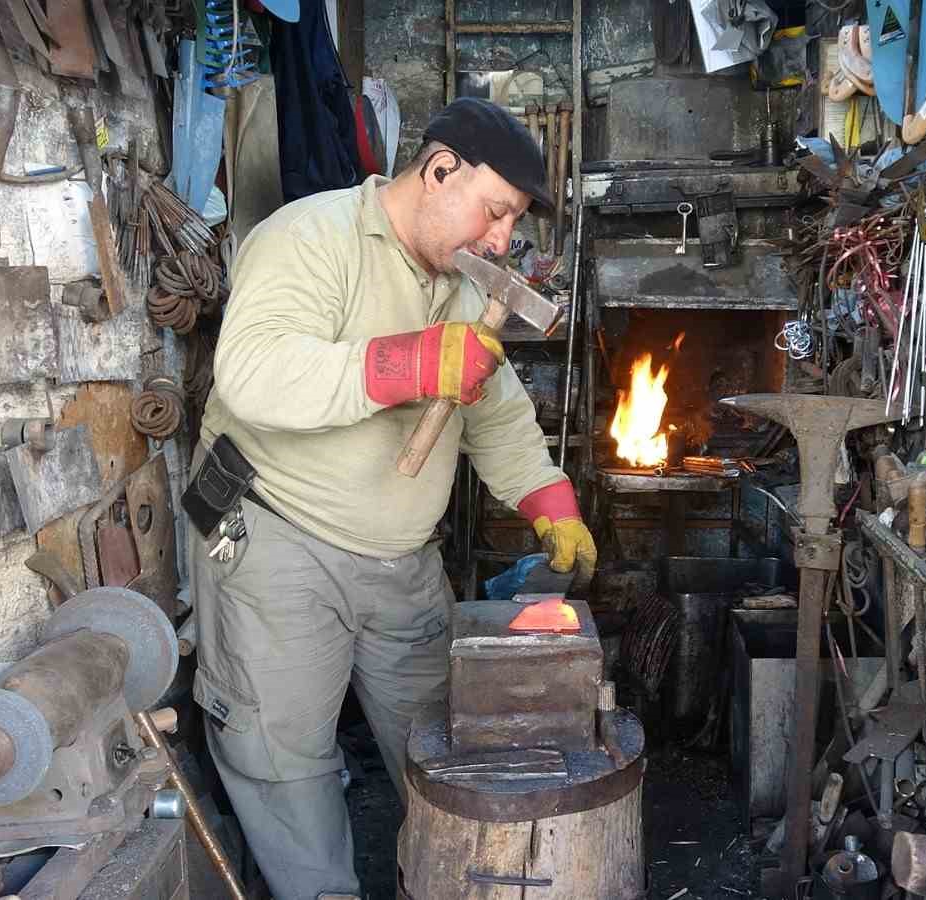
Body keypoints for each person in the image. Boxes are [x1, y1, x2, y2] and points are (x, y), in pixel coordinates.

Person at [189, 97, 597, 900]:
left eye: (512, 223)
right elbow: (253, 373)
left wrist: (549, 500)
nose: (501, 240)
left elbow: (497, 414)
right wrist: (407, 363)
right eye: (495, 211)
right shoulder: (310, 238)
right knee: (282, 759)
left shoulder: (462, 281)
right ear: (440, 170)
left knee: (443, 739)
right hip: (276, 537)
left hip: (402, 559)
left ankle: (452, 879)